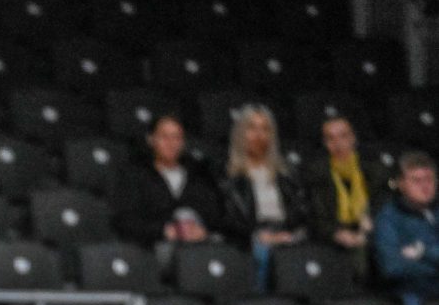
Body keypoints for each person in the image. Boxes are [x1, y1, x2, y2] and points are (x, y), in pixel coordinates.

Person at [220, 104, 308, 291]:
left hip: (285, 233)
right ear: (241, 133)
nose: (259, 135)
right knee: (263, 253)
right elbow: (228, 218)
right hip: (252, 236)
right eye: (252, 128)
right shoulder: (228, 176)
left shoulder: (286, 175)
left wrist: (288, 234)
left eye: (265, 129)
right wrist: (257, 235)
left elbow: (300, 210)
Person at [111, 115, 224, 259]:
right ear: (151, 140)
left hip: (202, 244)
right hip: (156, 247)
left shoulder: (198, 173)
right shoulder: (134, 174)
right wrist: (164, 231)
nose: (171, 143)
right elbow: (125, 221)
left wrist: (204, 230)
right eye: (164, 137)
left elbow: (217, 213)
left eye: (176, 137)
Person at [305, 116, 391, 280]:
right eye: (331, 138)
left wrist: (369, 225)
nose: (338, 144)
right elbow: (315, 216)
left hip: (371, 232)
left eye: (343, 136)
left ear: (353, 138)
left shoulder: (374, 170)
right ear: (325, 143)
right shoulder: (316, 174)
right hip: (334, 235)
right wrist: (336, 233)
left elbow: (384, 205)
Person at [371, 151, 439, 305]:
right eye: (416, 180)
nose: (425, 186)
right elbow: (392, 267)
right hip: (410, 296)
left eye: (429, 180)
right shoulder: (388, 218)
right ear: (401, 184)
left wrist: (421, 252)